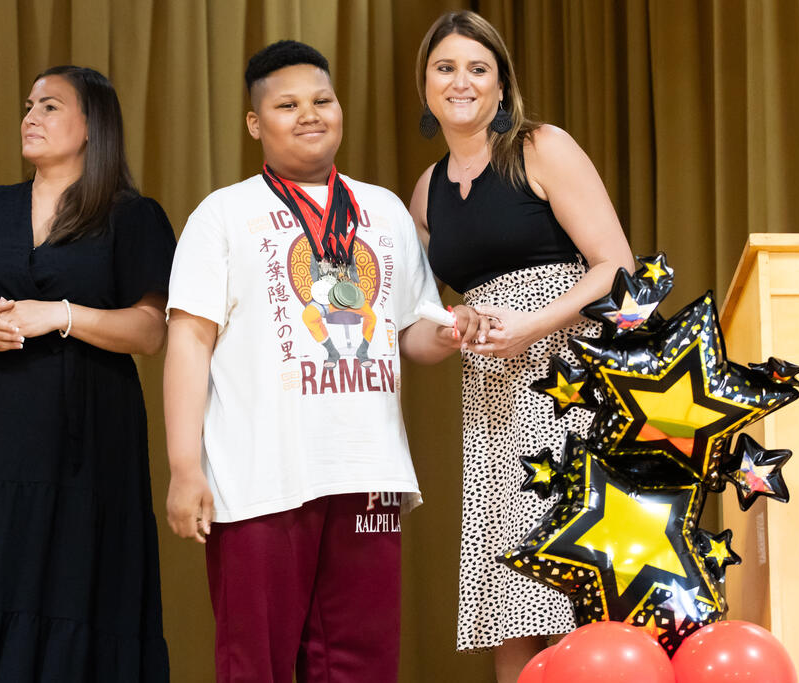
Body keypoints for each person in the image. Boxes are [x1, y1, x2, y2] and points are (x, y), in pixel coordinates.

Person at [164, 40, 480, 683]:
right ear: (255, 123)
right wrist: (183, 468)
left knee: (362, 664)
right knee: (255, 663)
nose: (309, 114)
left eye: (322, 100)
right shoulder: (223, 214)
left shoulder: (384, 210)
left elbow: (412, 332)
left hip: (370, 471)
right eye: (287, 105)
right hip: (259, 477)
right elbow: (189, 344)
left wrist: (452, 332)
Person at [0, 65, 172, 682]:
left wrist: (61, 314)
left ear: (92, 126)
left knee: (78, 585)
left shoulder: (132, 216)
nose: (31, 117)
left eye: (51, 106)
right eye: (28, 106)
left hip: (90, 435)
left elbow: (150, 331)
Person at [409, 11, 636, 682]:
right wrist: (451, 326)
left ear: (502, 85)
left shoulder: (541, 147)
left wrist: (534, 323)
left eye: (478, 68)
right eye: (445, 68)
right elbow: (416, 335)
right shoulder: (426, 192)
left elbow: (617, 268)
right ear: (425, 85)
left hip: (569, 380)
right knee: (512, 596)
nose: (461, 82)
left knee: (579, 579)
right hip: (494, 398)